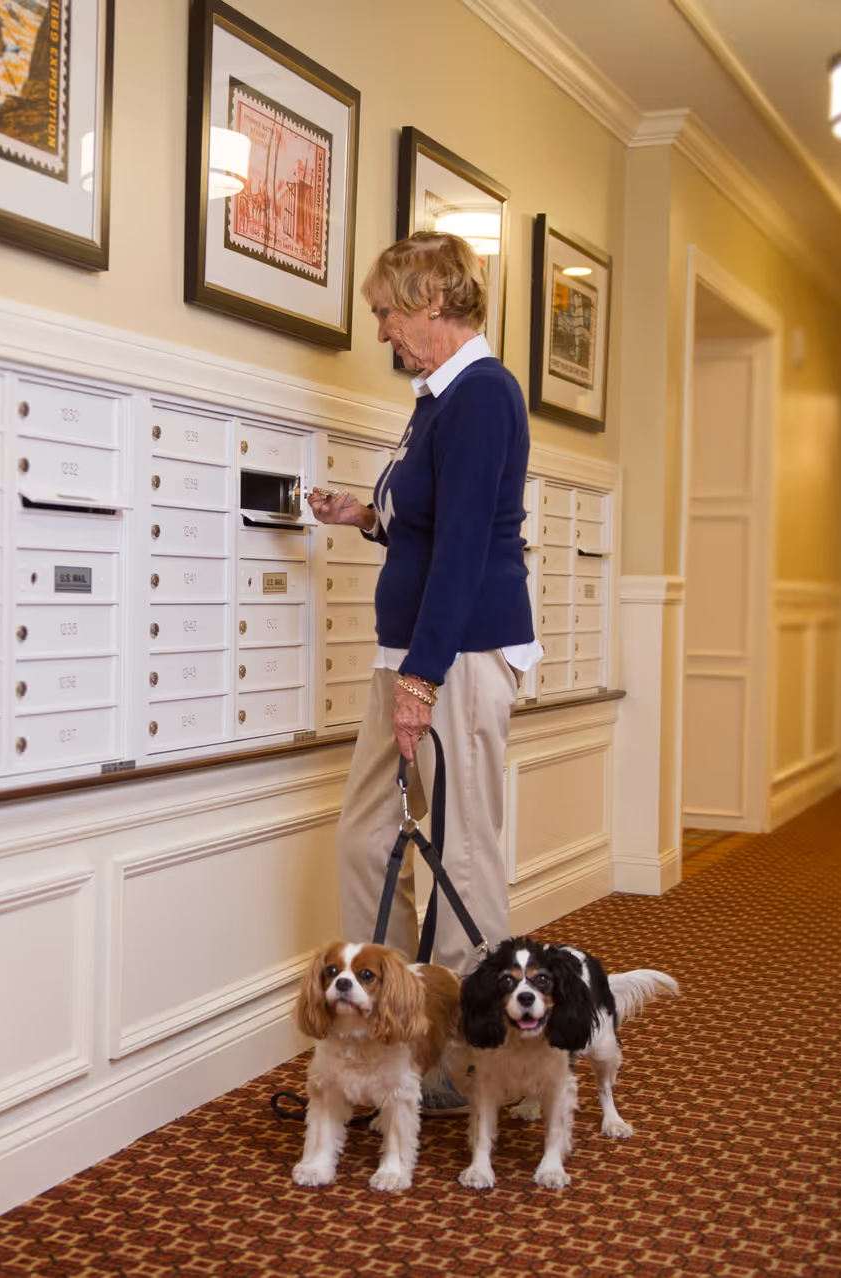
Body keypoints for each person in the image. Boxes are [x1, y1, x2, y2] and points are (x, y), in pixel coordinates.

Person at [308, 232, 536, 1109]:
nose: (381, 331)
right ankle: (397, 1031)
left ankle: (479, 1062)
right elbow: (431, 520)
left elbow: (469, 554)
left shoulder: (483, 394)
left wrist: (423, 676)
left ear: (434, 299)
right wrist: (365, 513)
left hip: (457, 657)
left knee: (463, 857)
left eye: (386, 311)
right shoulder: (436, 400)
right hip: (410, 653)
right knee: (367, 840)